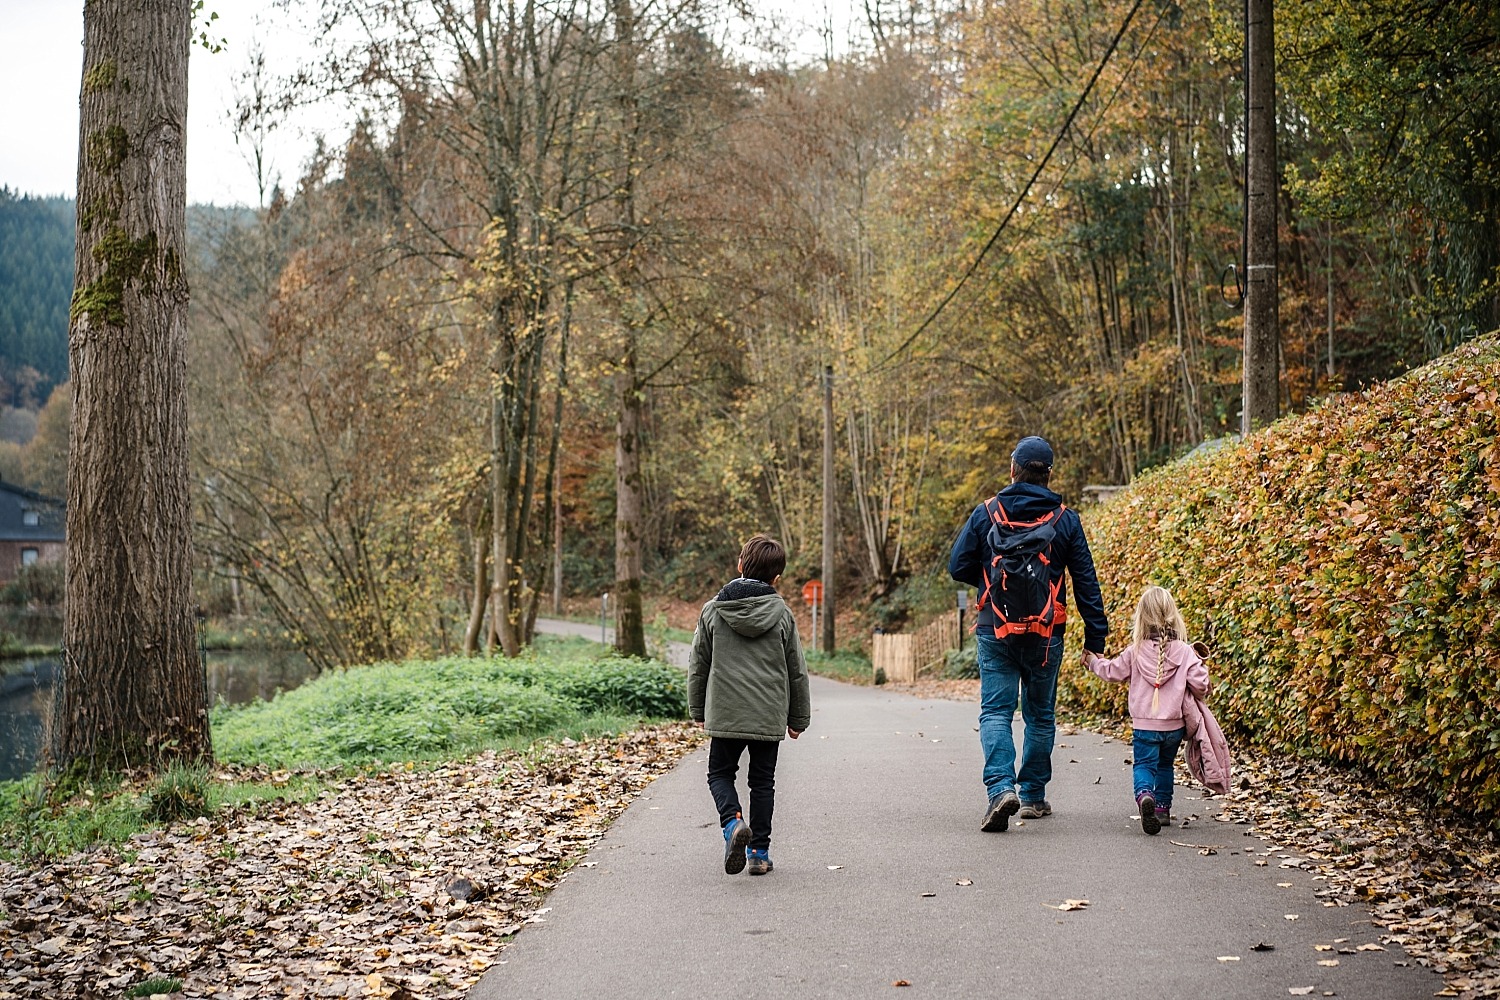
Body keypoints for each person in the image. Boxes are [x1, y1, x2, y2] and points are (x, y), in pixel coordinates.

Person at [949, 435, 1109, 832]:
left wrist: (990, 584)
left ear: (1012, 469)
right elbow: (1086, 582)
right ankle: (1033, 796)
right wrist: (1096, 639)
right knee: (1040, 714)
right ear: (1049, 474)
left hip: (994, 628)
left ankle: (1001, 788)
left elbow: (958, 565)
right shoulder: (1065, 520)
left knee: (996, 711)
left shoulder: (986, 513)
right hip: (1047, 632)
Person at [688, 534, 812, 875]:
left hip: (726, 711)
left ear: (740, 566)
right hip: (767, 714)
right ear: (776, 578)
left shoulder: (713, 610)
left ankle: (732, 823)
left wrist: (698, 709)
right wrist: (798, 717)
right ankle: (759, 852)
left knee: (719, 773)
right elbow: (796, 670)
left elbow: (699, 663)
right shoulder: (783, 614)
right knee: (762, 783)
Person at [1084, 585, 1210, 835]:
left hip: (1144, 725)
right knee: (1165, 765)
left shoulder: (1135, 651)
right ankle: (1162, 809)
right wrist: (1200, 664)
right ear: (1174, 615)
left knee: (1144, 765)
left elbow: (1112, 672)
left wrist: (1092, 661)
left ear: (1142, 617)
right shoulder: (1185, 652)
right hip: (1174, 725)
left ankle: (1144, 797)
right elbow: (1201, 684)